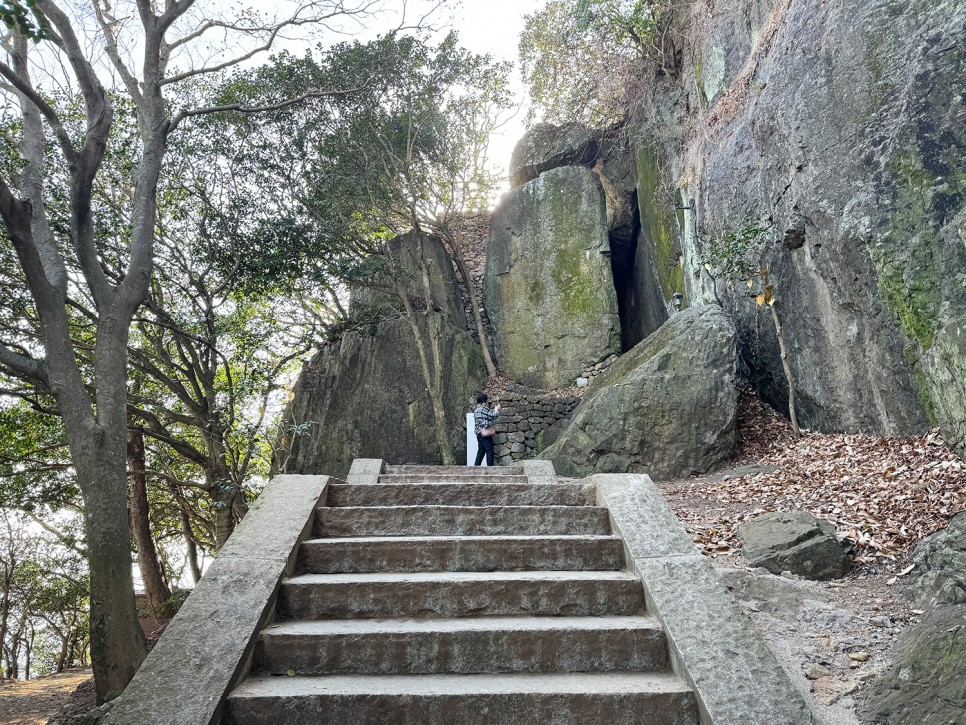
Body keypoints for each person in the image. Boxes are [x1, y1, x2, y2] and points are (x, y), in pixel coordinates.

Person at [473, 393, 501, 466]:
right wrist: (496, 409)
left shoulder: (476, 410)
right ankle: (490, 468)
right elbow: (492, 416)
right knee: (489, 450)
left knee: (481, 451)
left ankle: (476, 467)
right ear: (483, 402)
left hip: (479, 433)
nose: (486, 403)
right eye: (486, 401)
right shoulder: (482, 408)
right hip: (484, 433)